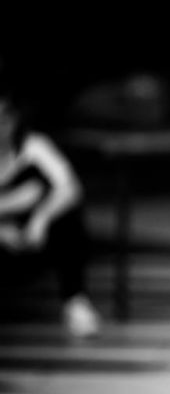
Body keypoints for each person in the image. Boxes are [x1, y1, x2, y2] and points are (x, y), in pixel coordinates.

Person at [0, 85, 101, 337]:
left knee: (68, 217)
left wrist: (40, 220)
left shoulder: (33, 147)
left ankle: (76, 301)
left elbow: (70, 188)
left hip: (32, 238)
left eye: (4, 117)